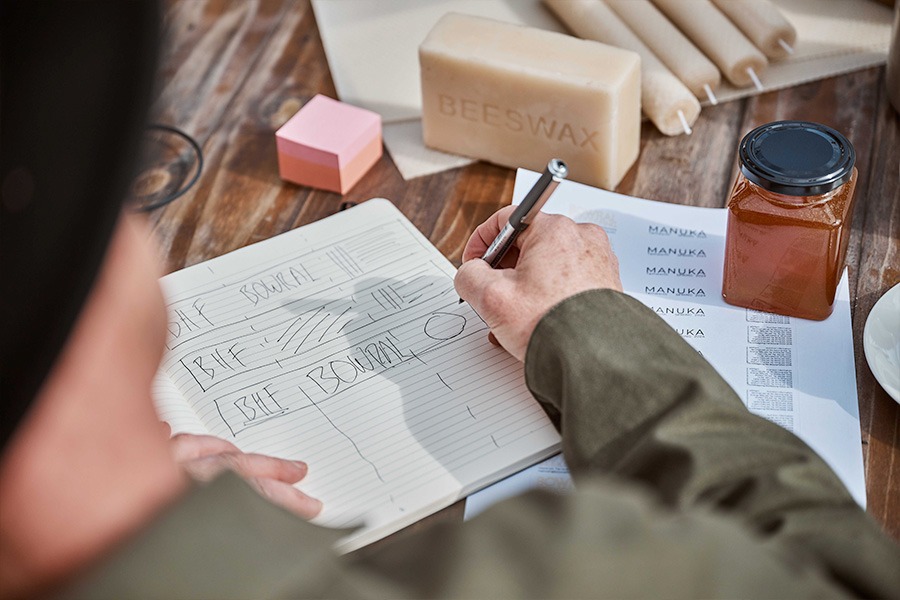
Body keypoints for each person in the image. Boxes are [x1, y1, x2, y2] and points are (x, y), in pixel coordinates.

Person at [2, 2, 899, 599]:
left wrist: (128, 504)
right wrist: (586, 328)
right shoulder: (542, 570)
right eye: (118, 194)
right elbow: (835, 567)